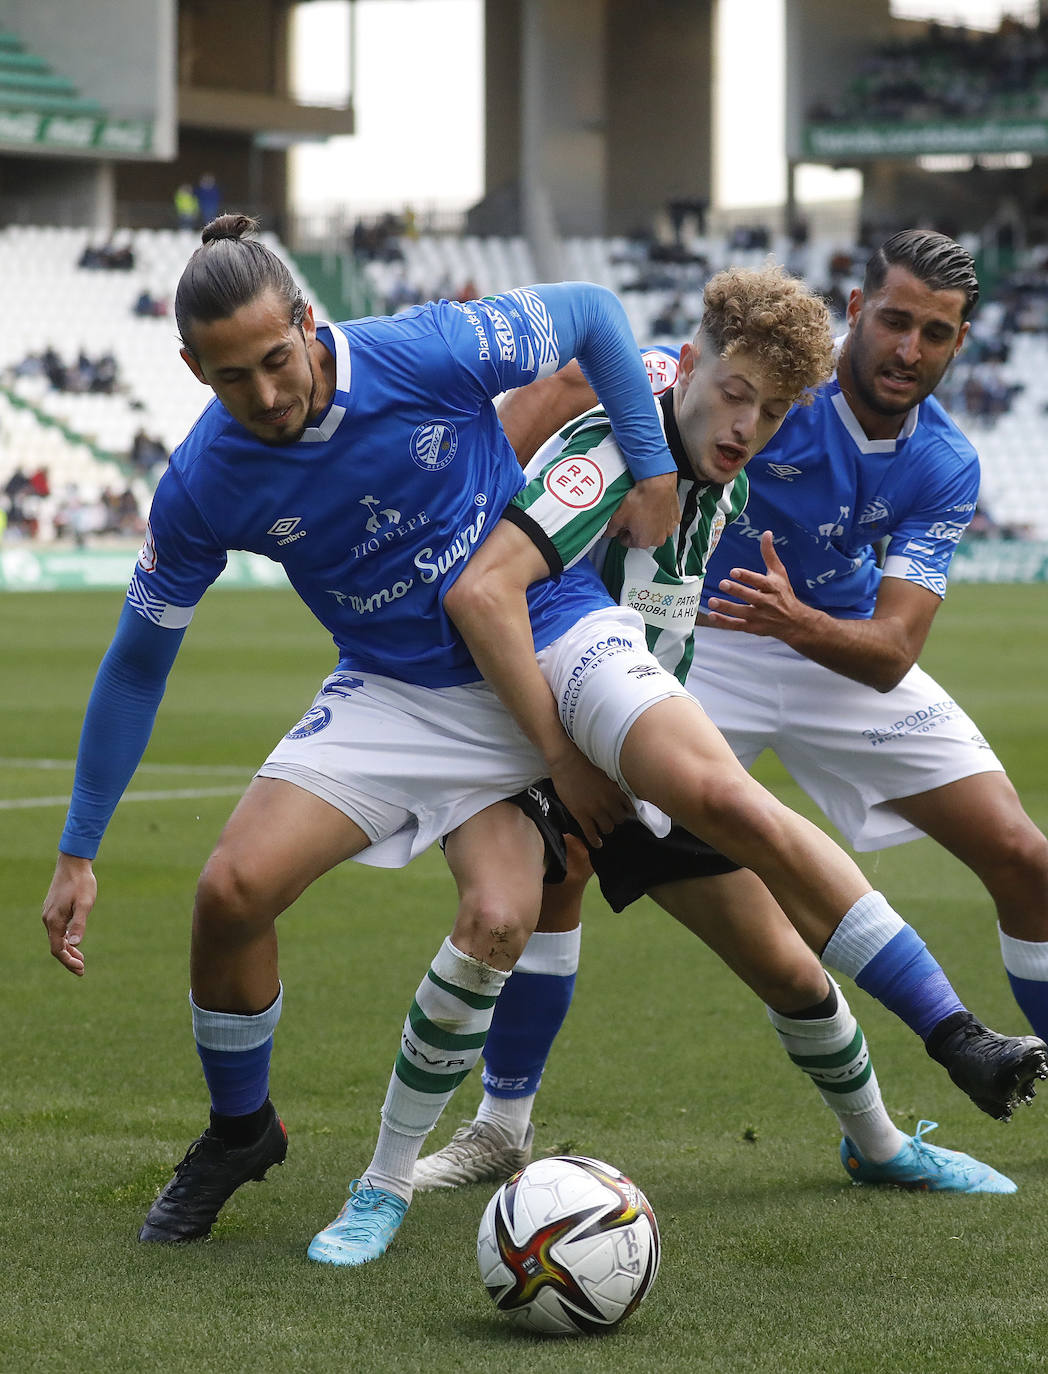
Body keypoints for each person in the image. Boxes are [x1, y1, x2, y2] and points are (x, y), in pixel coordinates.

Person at [428, 227, 1048, 1177]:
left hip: (831, 648)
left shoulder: (943, 464)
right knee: (566, 858)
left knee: (1018, 850)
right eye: (893, 321)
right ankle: (500, 1128)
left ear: (959, 344)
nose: (907, 349)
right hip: (700, 641)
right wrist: (475, 523)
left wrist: (800, 622)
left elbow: (890, 655)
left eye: (934, 332)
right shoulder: (767, 380)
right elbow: (570, 384)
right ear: (855, 312)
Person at [40, 213, 683, 1253]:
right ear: (190, 369)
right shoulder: (205, 481)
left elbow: (596, 319)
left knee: (507, 915)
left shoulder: (425, 351)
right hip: (391, 690)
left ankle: (880, 1093)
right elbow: (136, 661)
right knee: (229, 892)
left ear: (307, 320)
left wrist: (651, 469)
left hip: (529, 649)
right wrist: (79, 848)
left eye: (276, 360)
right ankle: (241, 1129)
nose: (264, 396)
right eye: (230, 378)